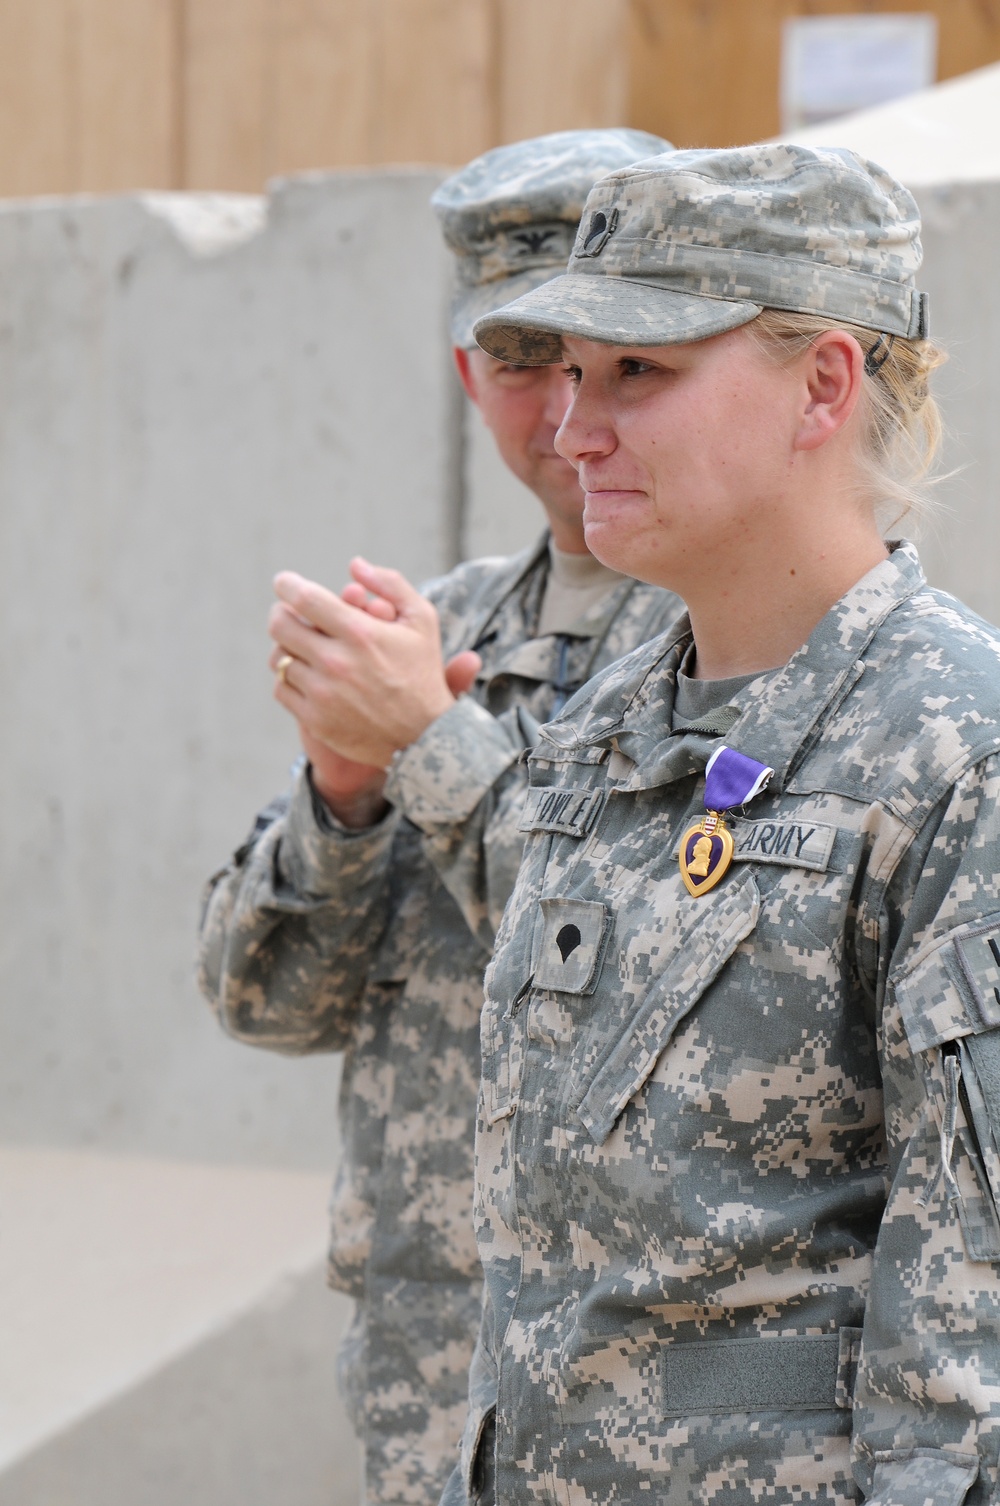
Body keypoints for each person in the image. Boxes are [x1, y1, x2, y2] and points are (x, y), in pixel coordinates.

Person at [416, 144, 1000, 1505]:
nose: (572, 430)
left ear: (822, 385)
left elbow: (968, 1363)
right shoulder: (613, 719)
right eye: (566, 371)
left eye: (641, 371)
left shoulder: (956, 752)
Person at [197, 129, 682, 1506]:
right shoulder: (442, 628)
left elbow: (658, 978)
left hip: (658, 1416)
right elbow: (271, 1001)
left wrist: (430, 741)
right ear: (470, 373)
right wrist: (342, 796)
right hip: (430, 1394)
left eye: (607, 351)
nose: (565, 401)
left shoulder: (762, 641)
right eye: (522, 355)